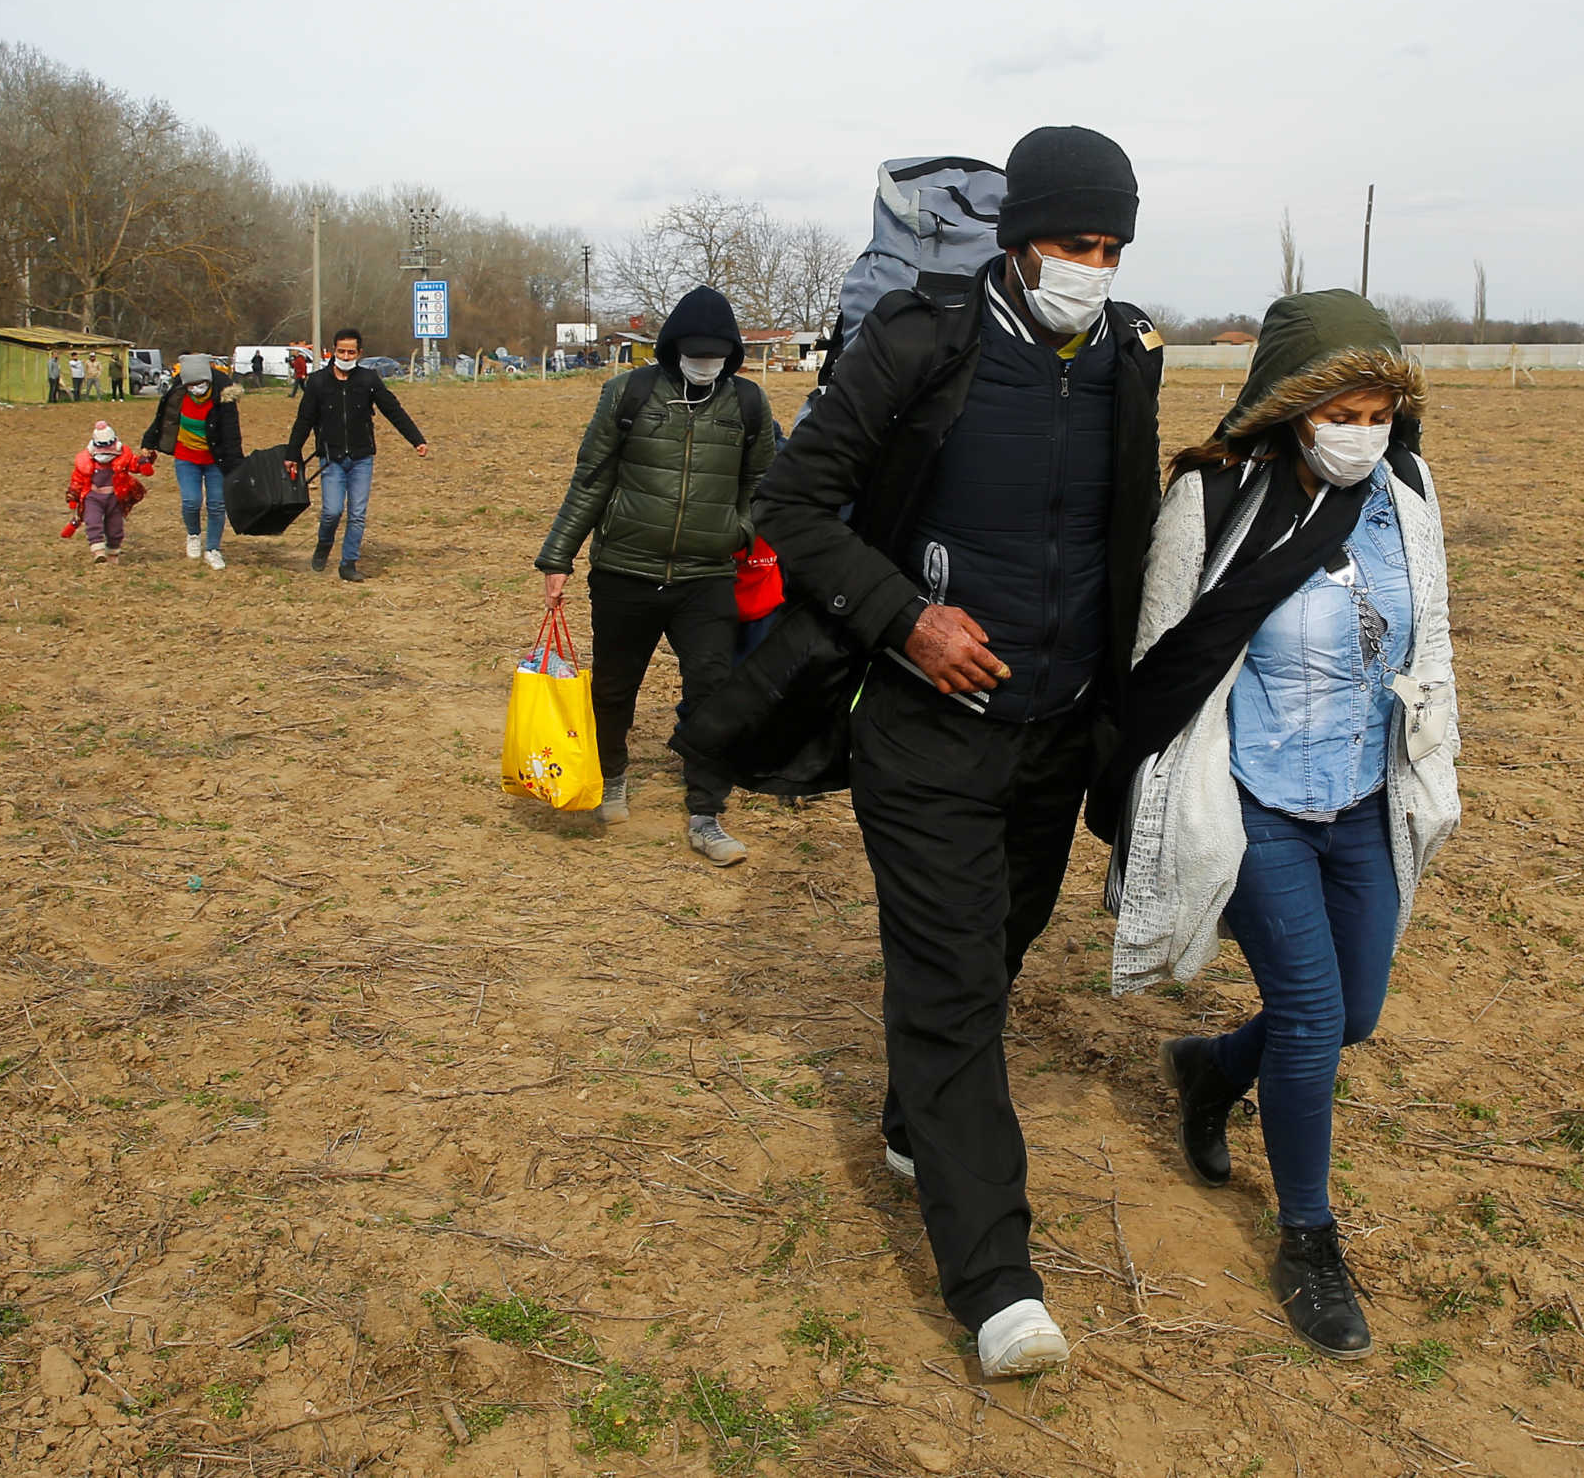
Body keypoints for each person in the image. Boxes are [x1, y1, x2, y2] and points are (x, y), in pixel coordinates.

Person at [748, 126, 1163, 1378]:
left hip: (1055, 732)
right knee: (953, 988)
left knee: (998, 945)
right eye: (1068, 244)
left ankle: (907, 1108)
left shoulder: (1126, 360)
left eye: (1110, 247)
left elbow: (1134, 530)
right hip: (925, 734)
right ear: (1014, 238)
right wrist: (905, 620)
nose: (1091, 266)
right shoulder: (920, 344)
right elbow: (790, 507)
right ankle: (997, 1282)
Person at [1108, 291, 1459, 1360]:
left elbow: (1430, 633)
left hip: (1361, 796)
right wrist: (1145, 811)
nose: (1363, 428)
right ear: (1290, 407)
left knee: (1355, 1009)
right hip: (1253, 797)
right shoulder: (1215, 501)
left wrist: (1433, 759)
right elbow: (1162, 664)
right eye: (1341, 407)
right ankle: (1308, 1238)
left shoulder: (1406, 490)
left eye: (1380, 407)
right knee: (1310, 1014)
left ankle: (1212, 1068)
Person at [534, 286, 773, 866]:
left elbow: (766, 484)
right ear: (672, 350)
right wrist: (557, 559)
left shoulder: (747, 403)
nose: (704, 364)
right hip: (625, 572)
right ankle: (611, 777)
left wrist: (737, 529)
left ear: (731, 355)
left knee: (712, 693)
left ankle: (706, 811)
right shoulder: (629, 393)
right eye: (694, 353)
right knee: (613, 688)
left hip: (707, 577)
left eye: (716, 355)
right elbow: (590, 479)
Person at [287, 328, 429, 581]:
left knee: (357, 514)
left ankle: (348, 563)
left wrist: (416, 440)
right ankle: (323, 545)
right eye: (341, 351)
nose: (345, 355)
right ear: (334, 351)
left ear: (359, 353)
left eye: (351, 352)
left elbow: (393, 410)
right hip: (331, 458)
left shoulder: (368, 380)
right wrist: (292, 453)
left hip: (362, 458)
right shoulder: (318, 382)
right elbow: (304, 420)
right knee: (331, 511)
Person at [141, 355, 246, 570]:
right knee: (191, 501)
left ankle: (213, 548)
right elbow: (162, 419)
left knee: (217, 505)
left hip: (215, 459)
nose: (197, 388)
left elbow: (232, 434)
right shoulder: (178, 396)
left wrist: (236, 467)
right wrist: (148, 442)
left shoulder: (223, 399)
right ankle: (193, 535)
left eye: (201, 384)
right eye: (192, 384)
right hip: (186, 457)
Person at [64, 421, 153, 563]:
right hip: (93, 497)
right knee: (92, 521)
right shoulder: (85, 460)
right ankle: (98, 551)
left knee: (115, 527)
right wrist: (73, 496)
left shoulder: (124, 456)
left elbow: (136, 465)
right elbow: (77, 479)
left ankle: (113, 552)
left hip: (116, 497)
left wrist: (145, 461)